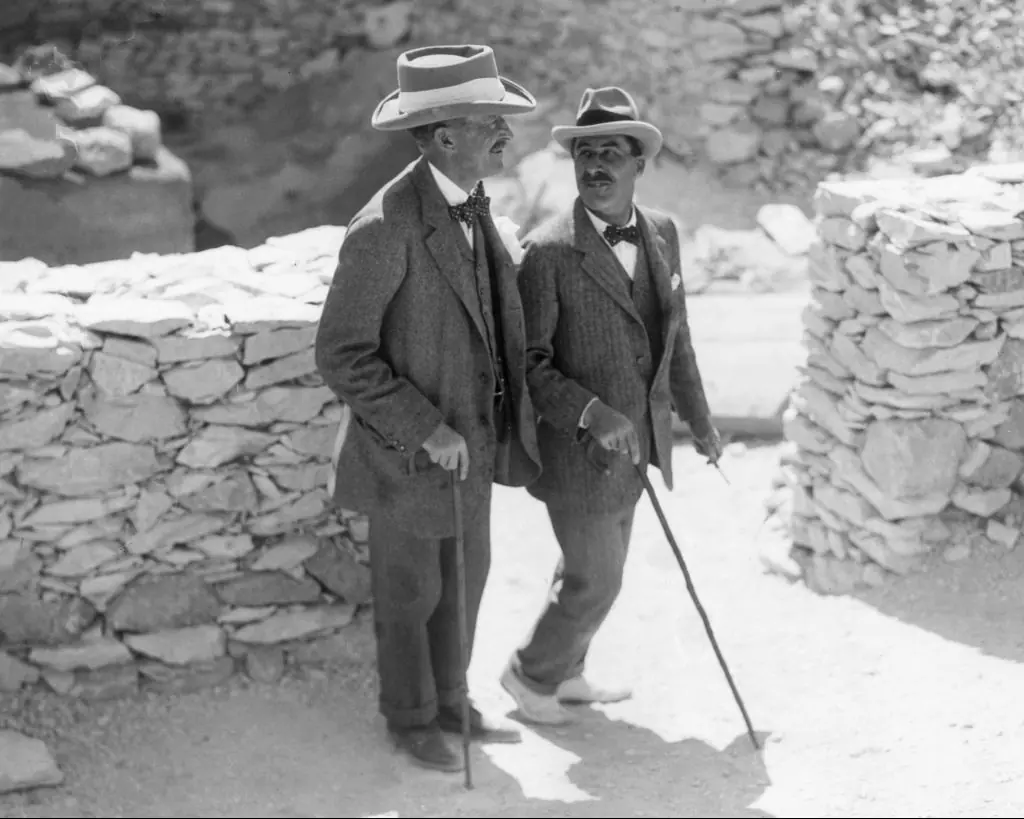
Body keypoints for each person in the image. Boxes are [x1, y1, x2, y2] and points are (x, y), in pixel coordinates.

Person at [314, 44, 543, 771]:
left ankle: (452, 698)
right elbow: (343, 353)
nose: (506, 137)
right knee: (411, 593)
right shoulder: (385, 227)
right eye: (492, 123)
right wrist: (426, 426)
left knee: (465, 583)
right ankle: (410, 718)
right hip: (410, 455)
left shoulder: (476, 210)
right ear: (445, 136)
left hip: (470, 451)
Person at [500, 86, 723, 725]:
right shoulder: (546, 252)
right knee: (598, 580)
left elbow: (675, 334)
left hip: (639, 444)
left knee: (588, 568)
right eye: (585, 153)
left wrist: (699, 420)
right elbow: (528, 365)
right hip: (579, 454)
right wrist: (592, 412)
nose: (597, 166)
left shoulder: (661, 232)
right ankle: (529, 674)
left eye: (612, 154)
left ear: (638, 164)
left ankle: (567, 674)